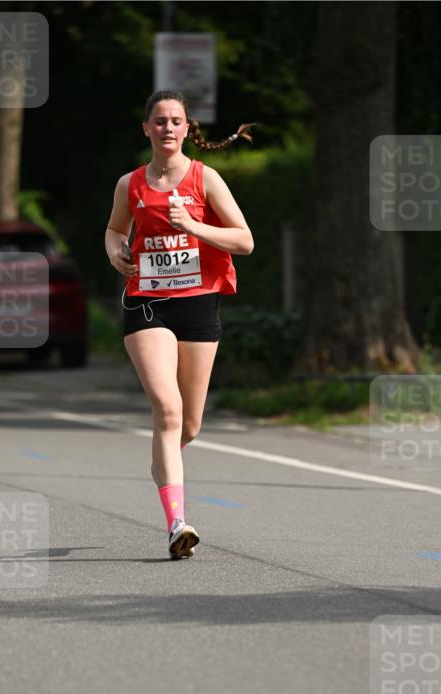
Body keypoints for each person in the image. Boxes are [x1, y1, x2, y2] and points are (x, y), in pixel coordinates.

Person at [105, 90, 255, 560]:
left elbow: (245, 241)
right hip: (147, 303)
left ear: (188, 129)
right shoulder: (129, 184)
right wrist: (115, 252)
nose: (168, 129)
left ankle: (164, 463)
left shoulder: (204, 179)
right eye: (159, 121)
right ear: (146, 129)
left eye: (176, 122)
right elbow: (113, 230)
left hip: (198, 305)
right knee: (167, 411)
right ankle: (177, 524)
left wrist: (194, 226)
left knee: (188, 425)